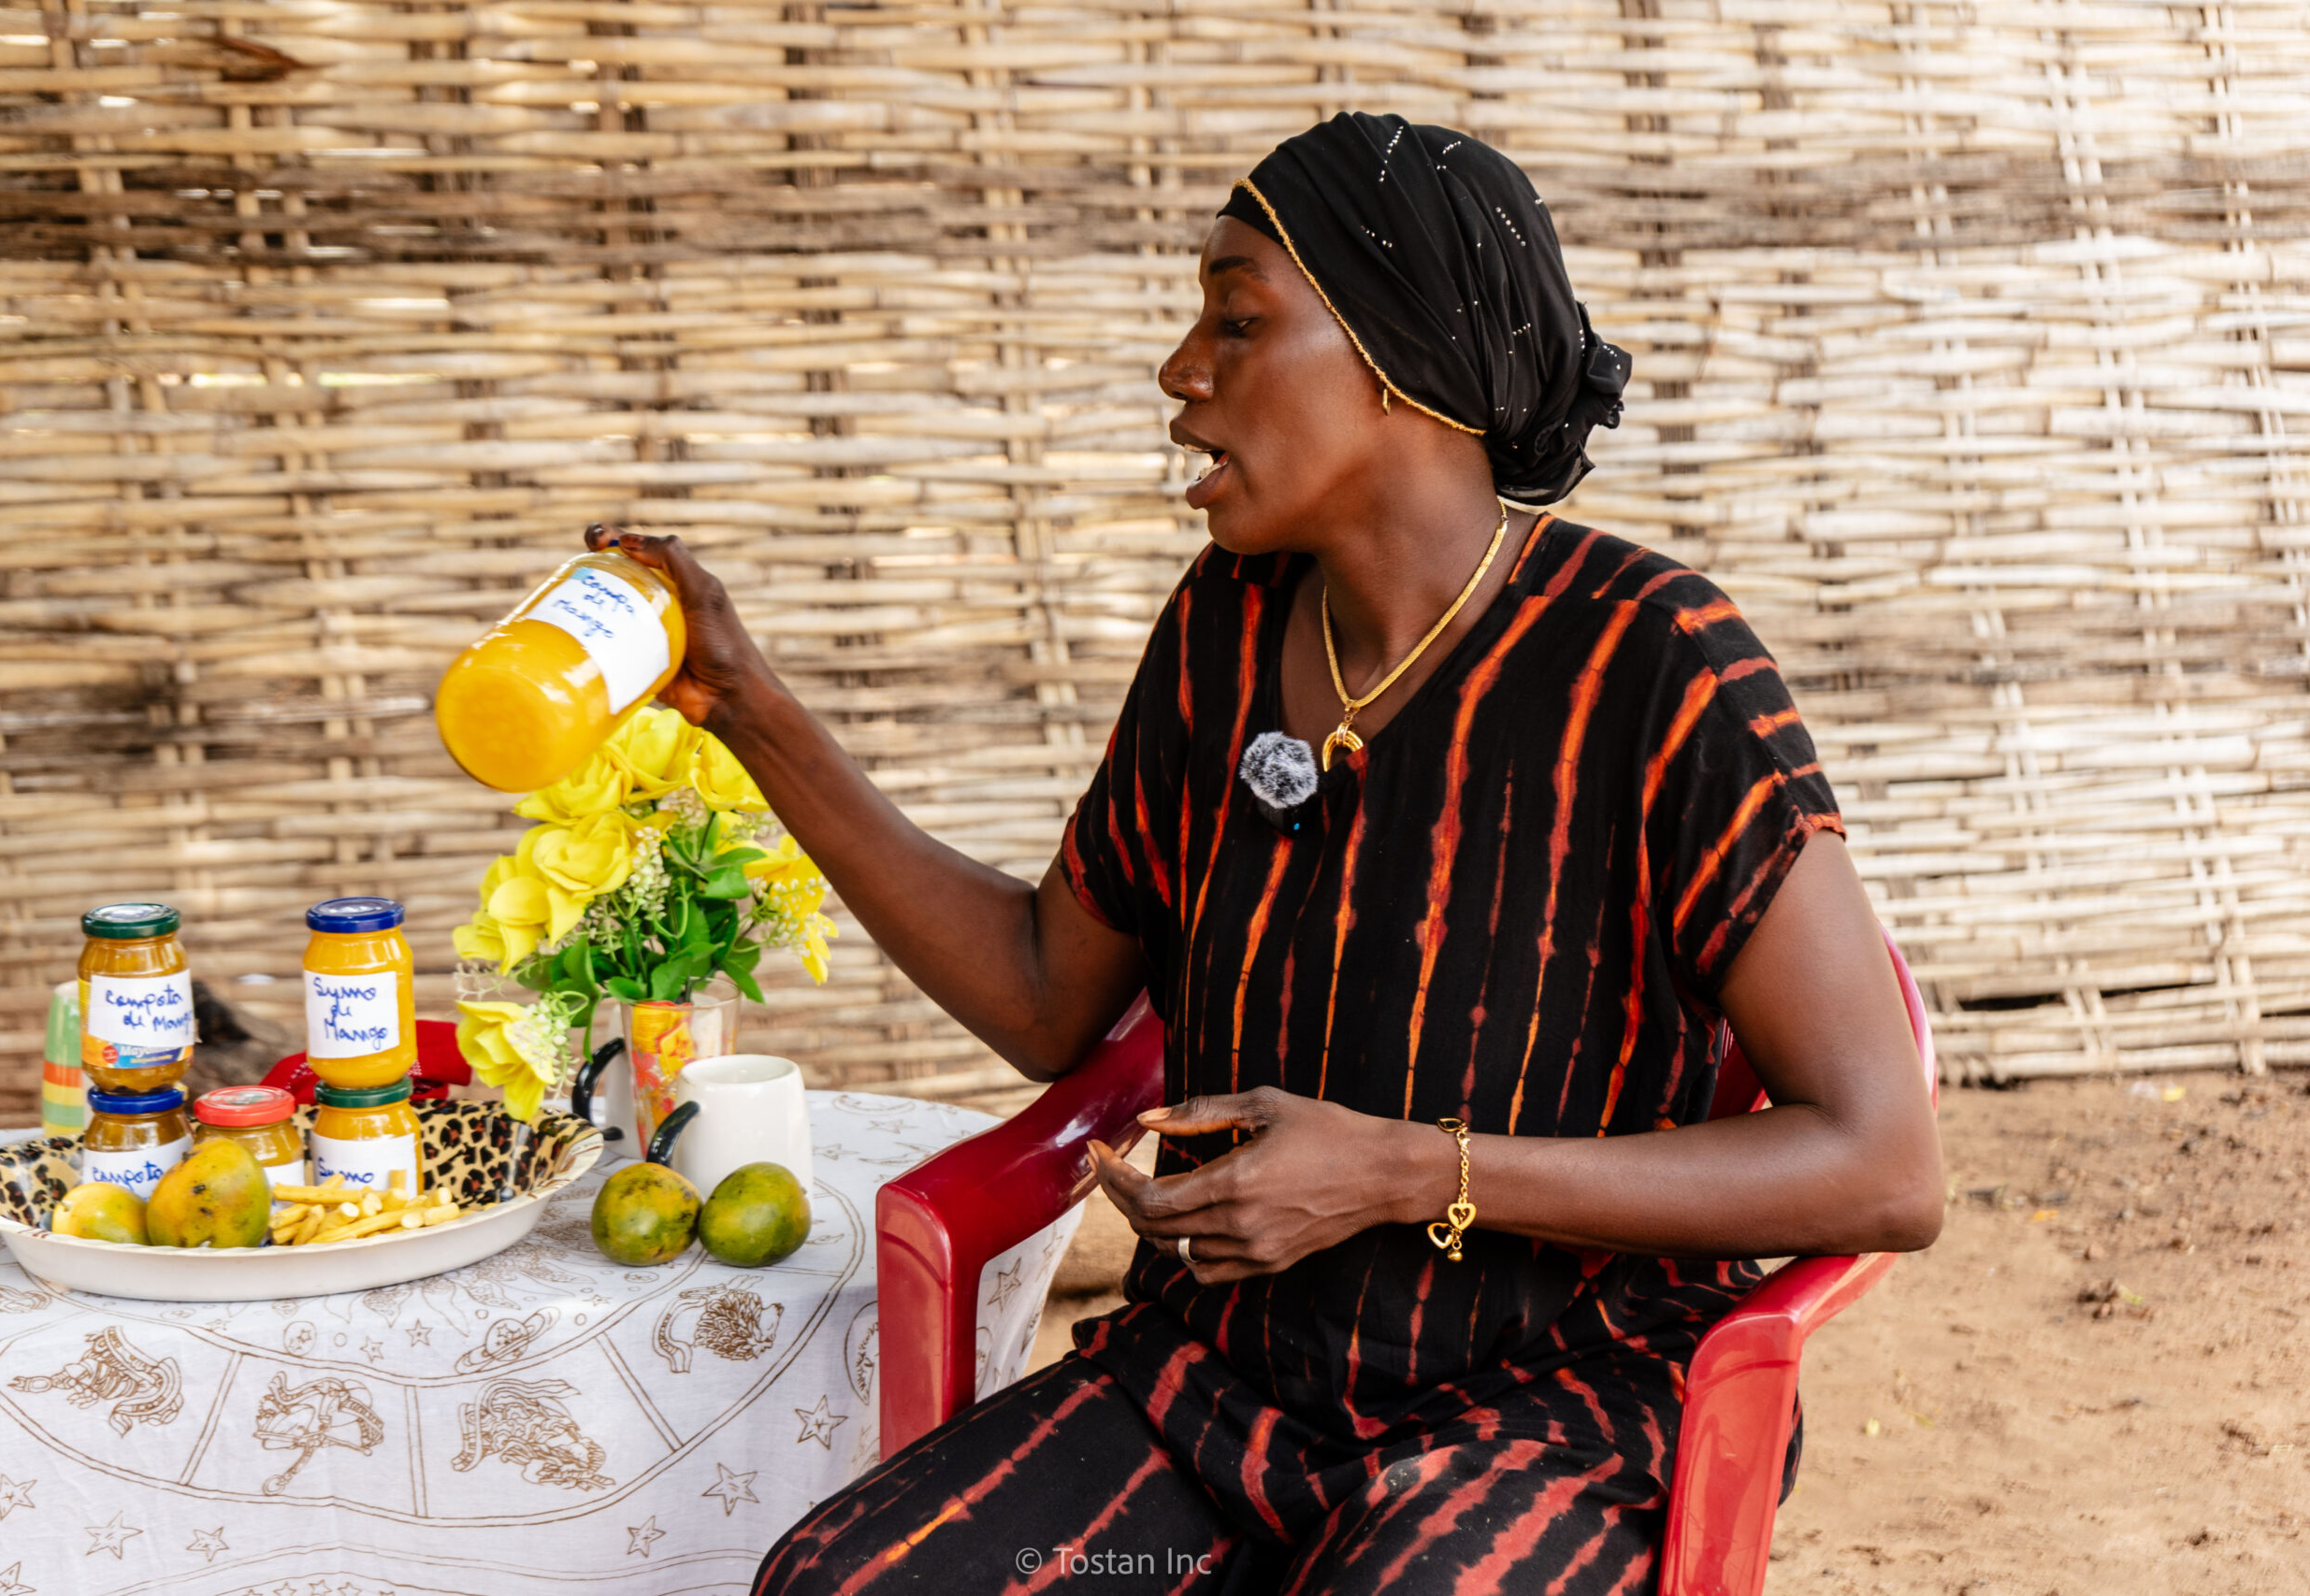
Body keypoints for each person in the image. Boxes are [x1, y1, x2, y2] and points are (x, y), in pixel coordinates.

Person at [591, 111, 1944, 1596]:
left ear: (1397, 358)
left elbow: (1880, 1164)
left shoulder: (1655, 664)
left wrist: (1408, 1173)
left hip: (1548, 1402)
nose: (1182, 370)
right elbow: (1045, 994)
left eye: (1236, 320)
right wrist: (748, 706)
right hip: (1216, 1392)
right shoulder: (1223, 632)